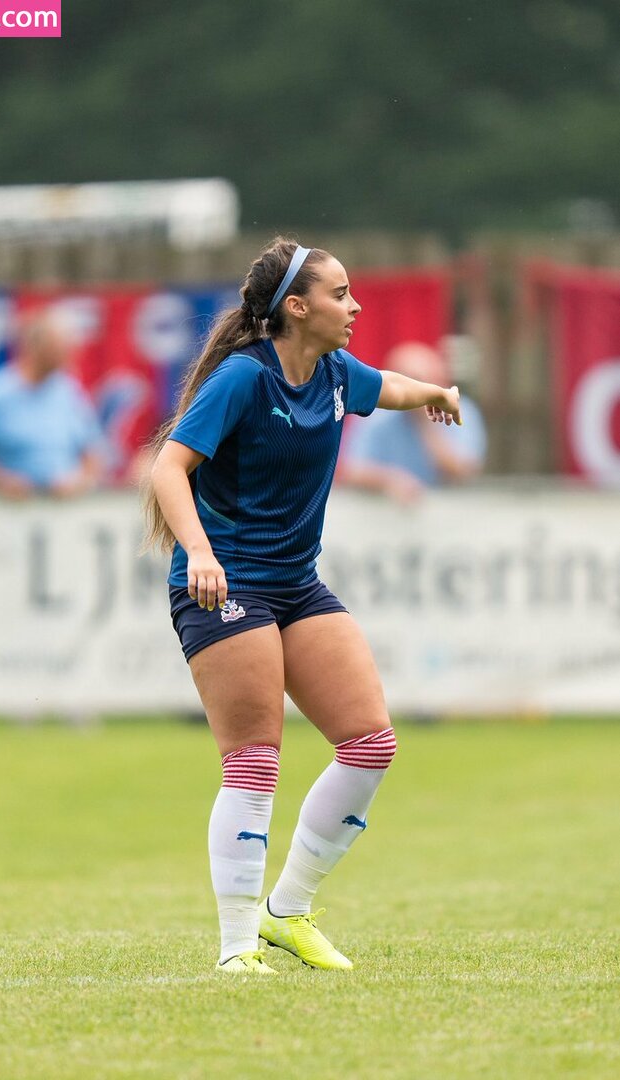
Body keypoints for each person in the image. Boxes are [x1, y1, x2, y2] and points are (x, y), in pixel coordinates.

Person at [145, 237, 461, 974]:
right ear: (296, 307)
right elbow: (167, 467)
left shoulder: (334, 373)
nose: (354, 307)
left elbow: (389, 386)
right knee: (254, 762)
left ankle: (286, 911)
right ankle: (235, 949)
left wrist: (436, 393)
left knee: (371, 745)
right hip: (225, 586)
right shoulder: (242, 378)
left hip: (294, 584)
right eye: (339, 294)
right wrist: (200, 552)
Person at [0, 310, 105, 499]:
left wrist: (78, 480)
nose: (70, 354)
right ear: (36, 348)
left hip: (62, 511)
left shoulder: (68, 392)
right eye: (62, 347)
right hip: (5, 509)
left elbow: (94, 454)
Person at [339, 341, 486, 503]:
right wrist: (389, 480)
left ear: (439, 380)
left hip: (451, 508)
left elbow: (464, 472)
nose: (412, 389)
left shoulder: (460, 410)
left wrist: (425, 422)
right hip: (385, 509)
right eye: (405, 380)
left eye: (420, 380)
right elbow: (350, 471)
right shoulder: (372, 414)